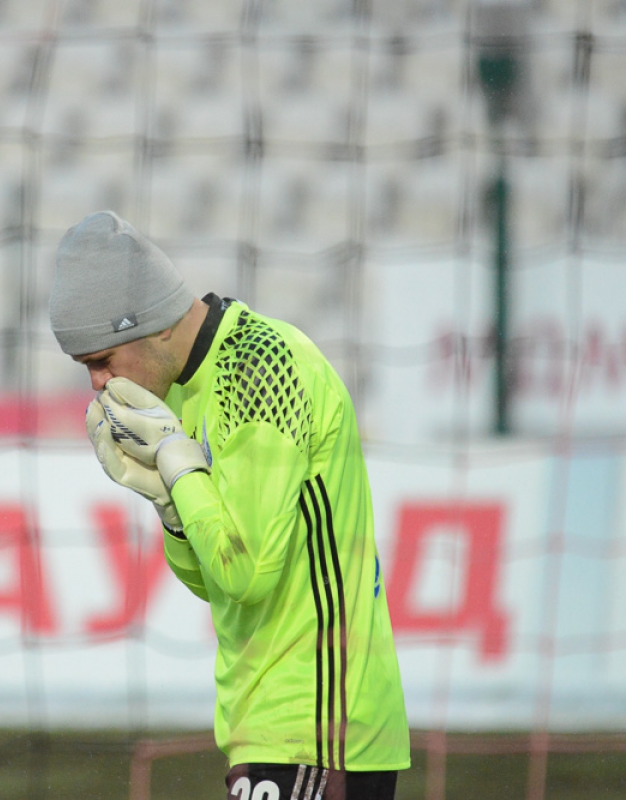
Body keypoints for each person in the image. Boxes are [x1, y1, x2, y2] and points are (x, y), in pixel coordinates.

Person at [49, 211, 409, 800]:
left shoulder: (261, 366)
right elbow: (214, 581)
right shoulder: (184, 389)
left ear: (152, 324)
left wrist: (179, 465)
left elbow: (247, 572)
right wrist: (169, 504)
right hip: (269, 724)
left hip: (320, 721)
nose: (96, 383)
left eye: (102, 359)